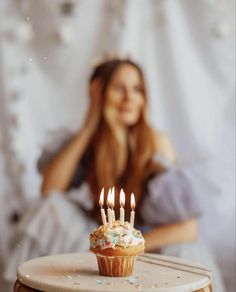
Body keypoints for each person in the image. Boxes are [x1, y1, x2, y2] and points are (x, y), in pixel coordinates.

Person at [4, 58, 225, 291]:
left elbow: (188, 228)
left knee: (188, 250)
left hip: (149, 244)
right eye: (119, 88)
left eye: (137, 89)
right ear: (100, 95)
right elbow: (50, 190)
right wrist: (91, 123)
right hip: (99, 242)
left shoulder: (155, 144)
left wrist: (125, 246)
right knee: (49, 210)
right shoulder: (91, 143)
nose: (129, 97)